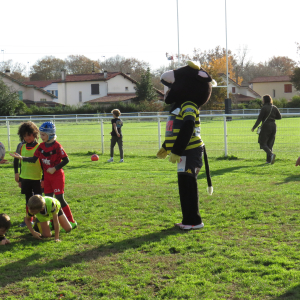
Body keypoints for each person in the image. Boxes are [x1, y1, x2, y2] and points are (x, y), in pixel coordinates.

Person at [157, 61, 214, 230]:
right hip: (184, 153)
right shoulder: (180, 106)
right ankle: (188, 219)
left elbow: (188, 128)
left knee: (188, 186)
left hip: (190, 152)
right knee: (184, 186)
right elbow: (175, 129)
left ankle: (194, 221)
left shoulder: (188, 104)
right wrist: (166, 146)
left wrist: (177, 150)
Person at [10, 122, 77, 229]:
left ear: (50, 134)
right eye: (41, 135)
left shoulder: (57, 146)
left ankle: (71, 221)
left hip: (56, 176)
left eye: (43, 135)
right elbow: (33, 159)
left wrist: (54, 168)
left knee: (59, 198)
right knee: (48, 199)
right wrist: (21, 158)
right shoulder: (41, 146)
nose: (41, 137)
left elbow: (66, 160)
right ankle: (51, 222)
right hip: (45, 176)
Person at [14, 121, 43, 227]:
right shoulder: (21, 146)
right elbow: (16, 161)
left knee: (39, 199)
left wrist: (43, 178)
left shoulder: (40, 147)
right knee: (28, 199)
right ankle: (29, 219)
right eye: (24, 136)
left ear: (35, 133)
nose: (27, 138)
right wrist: (17, 174)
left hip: (37, 178)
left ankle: (39, 218)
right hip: (25, 178)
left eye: (29, 135)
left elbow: (42, 164)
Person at [251, 95, 282, 164]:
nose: (262, 101)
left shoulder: (264, 108)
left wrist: (254, 127)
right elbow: (279, 117)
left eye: (263, 99)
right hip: (273, 126)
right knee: (270, 144)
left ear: (264, 100)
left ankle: (271, 155)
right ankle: (268, 160)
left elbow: (259, 119)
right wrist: (272, 118)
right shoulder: (274, 107)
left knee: (262, 143)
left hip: (266, 126)